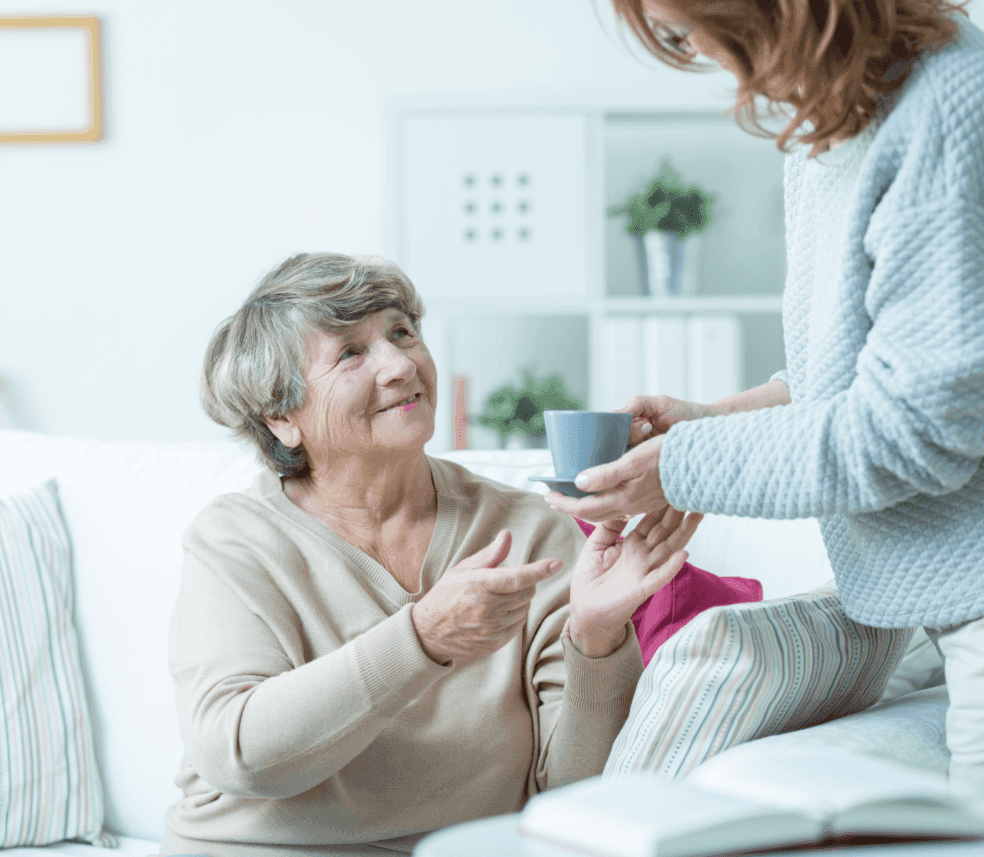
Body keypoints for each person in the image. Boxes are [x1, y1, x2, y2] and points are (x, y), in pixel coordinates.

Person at [547, 0, 984, 799]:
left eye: (690, 34)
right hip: (941, 599)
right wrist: (714, 420)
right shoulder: (827, 120)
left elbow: (916, 428)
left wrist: (683, 465)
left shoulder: (949, 103)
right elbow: (848, 382)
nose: (709, 65)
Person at [160, 252, 701, 857]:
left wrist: (598, 637)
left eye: (402, 332)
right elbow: (239, 755)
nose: (399, 365)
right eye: (350, 353)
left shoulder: (527, 531)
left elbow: (568, 800)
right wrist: (421, 639)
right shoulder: (236, 541)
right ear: (282, 418)